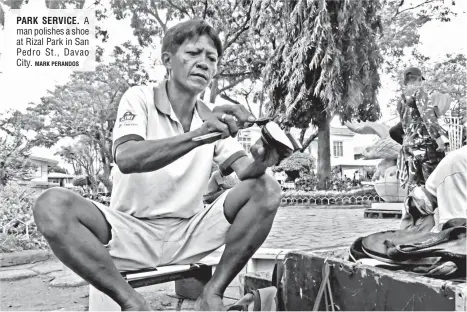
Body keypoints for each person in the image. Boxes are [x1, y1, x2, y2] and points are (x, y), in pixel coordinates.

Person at [33, 19, 283, 311]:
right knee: (51, 205)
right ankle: (133, 304)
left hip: (189, 233)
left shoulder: (211, 117)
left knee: (267, 189)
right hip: (129, 234)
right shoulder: (139, 98)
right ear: (168, 60)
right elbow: (127, 157)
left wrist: (263, 159)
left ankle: (212, 293)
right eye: (193, 53)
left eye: (211, 58)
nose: (203, 63)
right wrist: (199, 136)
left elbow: (246, 173)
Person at [396, 67, 449, 192]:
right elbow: (428, 116)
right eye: (421, 80)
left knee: (415, 187)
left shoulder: (401, 100)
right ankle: (435, 211)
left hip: (410, 147)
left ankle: (414, 210)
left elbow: (403, 125)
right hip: (425, 146)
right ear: (419, 79)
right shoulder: (419, 93)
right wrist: (438, 138)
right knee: (433, 184)